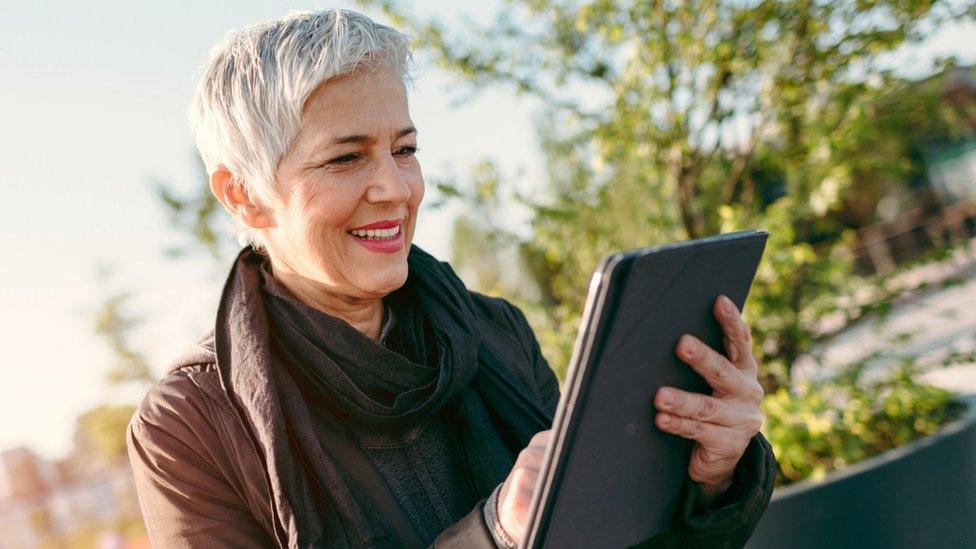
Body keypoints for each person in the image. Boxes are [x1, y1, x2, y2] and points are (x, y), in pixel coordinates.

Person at [126, 9, 776, 548]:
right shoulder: (187, 426)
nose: (396, 187)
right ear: (243, 195)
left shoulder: (495, 331)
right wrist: (491, 535)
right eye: (347, 157)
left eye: (405, 149)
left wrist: (709, 476)